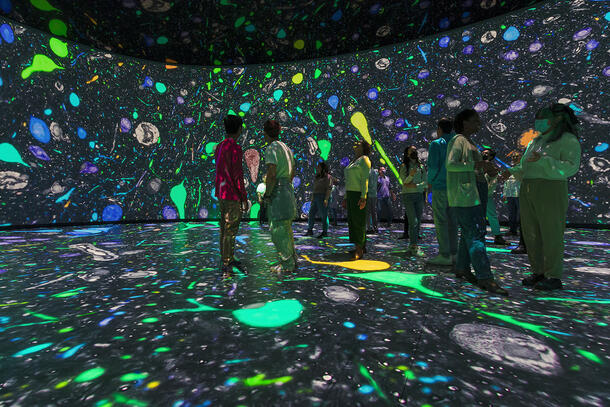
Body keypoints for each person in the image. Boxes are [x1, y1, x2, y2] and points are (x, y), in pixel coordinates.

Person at [506, 103, 581, 290]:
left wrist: (545, 161)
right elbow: (526, 167)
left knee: (551, 233)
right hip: (529, 188)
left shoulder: (568, 139)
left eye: (543, 118)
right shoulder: (536, 141)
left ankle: (553, 275)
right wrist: (511, 172)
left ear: (557, 119)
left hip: (551, 188)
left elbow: (571, 167)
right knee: (531, 234)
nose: (538, 122)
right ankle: (538, 271)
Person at [447, 109, 508, 296]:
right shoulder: (458, 140)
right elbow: (450, 165)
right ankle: (485, 277)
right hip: (466, 195)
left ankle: (463, 268)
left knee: (470, 232)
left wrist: (485, 169)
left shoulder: (468, 141)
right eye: (475, 121)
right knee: (476, 234)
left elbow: (473, 168)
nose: (479, 124)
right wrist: (477, 165)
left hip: (475, 191)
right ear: (464, 122)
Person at [262, 119, 298, 272]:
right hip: (288, 190)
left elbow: (271, 174)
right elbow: (293, 170)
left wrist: (268, 194)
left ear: (265, 133)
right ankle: (292, 261)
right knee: (287, 229)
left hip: (278, 192)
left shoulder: (271, 148)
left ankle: (287, 265)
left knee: (278, 230)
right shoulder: (286, 147)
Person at [215, 115, 248, 275]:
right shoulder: (235, 148)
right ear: (239, 129)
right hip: (232, 195)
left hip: (221, 193)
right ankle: (227, 262)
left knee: (224, 228)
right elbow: (237, 176)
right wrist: (243, 197)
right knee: (231, 230)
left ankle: (226, 257)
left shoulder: (220, 146)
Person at [426, 118, 458, 266]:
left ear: (439, 129)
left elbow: (433, 167)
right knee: (453, 222)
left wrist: (429, 183)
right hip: (456, 188)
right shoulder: (458, 142)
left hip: (440, 187)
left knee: (441, 221)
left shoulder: (436, 144)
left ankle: (444, 254)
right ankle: (454, 254)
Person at [344, 140, 371, 260]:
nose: (355, 144)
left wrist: (363, 197)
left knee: (358, 222)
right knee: (353, 221)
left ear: (364, 147)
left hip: (358, 194)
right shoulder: (353, 161)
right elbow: (348, 181)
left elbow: (365, 179)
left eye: (358, 143)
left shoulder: (364, 159)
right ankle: (361, 245)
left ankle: (359, 250)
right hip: (350, 194)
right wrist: (345, 197)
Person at [399, 146, 427, 257]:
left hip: (419, 196)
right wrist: (411, 175)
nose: (414, 152)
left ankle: (413, 245)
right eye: (412, 151)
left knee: (417, 222)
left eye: (415, 150)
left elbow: (425, 182)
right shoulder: (404, 166)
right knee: (413, 221)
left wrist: (416, 186)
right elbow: (404, 182)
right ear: (407, 154)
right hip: (408, 196)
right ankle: (414, 245)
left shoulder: (421, 166)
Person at [481, 148, 508, 245]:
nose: (483, 153)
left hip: (486, 195)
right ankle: (478, 236)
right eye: (483, 152)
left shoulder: (493, 168)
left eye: (487, 153)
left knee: (491, 215)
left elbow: (493, 182)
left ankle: (497, 236)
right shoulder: (476, 164)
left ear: (491, 157)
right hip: (475, 194)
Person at [306, 160, 333, 238]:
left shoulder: (328, 177)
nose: (317, 168)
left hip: (323, 197)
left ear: (323, 168)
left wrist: (326, 199)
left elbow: (329, 188)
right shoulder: (317, 177)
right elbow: (315, 188)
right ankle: (310, 230)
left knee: (324, 215)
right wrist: (312, 199)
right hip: (316, 197)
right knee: (311, 213)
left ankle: (325, 232)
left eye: (319, 167)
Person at [502, 151, 522, 236]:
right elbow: (506, 183)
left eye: (516, 156)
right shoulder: (510, 169)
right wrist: (504, 194)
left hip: (519, 195)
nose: (514, 158)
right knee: (511, 214)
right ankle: (512, 230)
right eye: (513, 157)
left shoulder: (522, 168)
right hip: (510, 195)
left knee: (521, 214)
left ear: (521, 157)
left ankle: (522, 231)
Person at [366, 166, 379, 234]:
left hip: (369, 194)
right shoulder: (376, 173)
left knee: (368, 212)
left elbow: (369, 184)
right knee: (374, 212)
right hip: (374, 194)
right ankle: (375, 227)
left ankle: (369, 228)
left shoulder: (368, 172)